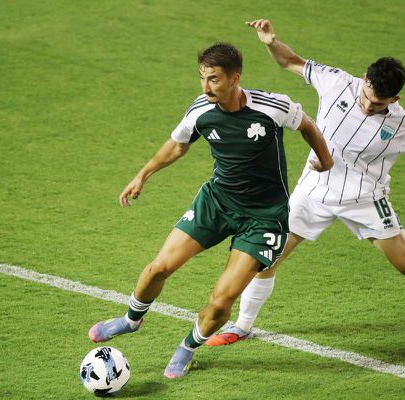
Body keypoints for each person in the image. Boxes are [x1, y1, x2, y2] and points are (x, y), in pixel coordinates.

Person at [205, 20, 405, 347]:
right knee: (268, 258)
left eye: (378, 104)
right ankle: (242, 325)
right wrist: (270, 42)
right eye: (367, 96)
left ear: (394, 98)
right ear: (364, 78)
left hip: (366, 200)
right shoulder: (336, 82)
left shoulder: (402, 124)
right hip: (313, 193)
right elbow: (290, 61)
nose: (368, 105)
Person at [88, 43, 334, 379]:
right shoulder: (201, 109)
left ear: (235, 79)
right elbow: (178, 145)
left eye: (214, 79)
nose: (206, 87)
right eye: (202, 78)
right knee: (158, 268)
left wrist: (326, 160)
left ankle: (187, 347)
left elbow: (307, 125)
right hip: (217, 202)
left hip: (263, 217)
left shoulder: (272, 106)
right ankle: (131, 319)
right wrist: (142, 175)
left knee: (221, 302)